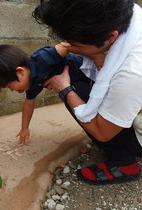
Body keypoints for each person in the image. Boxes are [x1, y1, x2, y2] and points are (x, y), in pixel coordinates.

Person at [32, 0, 142, 185]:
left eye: (77, 43)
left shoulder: (132, 73)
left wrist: (64, 89)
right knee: (74, 65)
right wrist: (95, 53)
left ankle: (124, 165)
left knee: (75, 89)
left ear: (110, 37)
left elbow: (102, 132)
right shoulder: (129, 13)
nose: (69, 45)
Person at [0, 43, 104, 145]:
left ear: (20, 72)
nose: (12, 90)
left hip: (93, 73)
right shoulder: (32, 84)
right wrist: (25, 128)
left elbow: (67, 45)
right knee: (72, 102)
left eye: (9, 86)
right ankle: (98, 137)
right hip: (80, 85)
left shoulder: (41, 59)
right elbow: (28, 104)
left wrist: (96, 55)